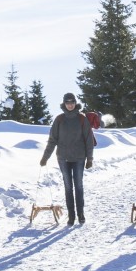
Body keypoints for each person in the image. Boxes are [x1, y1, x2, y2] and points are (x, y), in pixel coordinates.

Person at [40, 92, 95, 226]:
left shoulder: (82, 119)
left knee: (78, 185)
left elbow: (89, 139)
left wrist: (90, 158)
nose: (70, 105)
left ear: (75, 103)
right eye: (67, 103)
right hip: (63, 158)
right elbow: (52, 140)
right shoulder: (59, 120)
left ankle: (80, 213)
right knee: (68, 186)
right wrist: (45, 157)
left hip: (79, 157)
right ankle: (71, 215)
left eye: (72, 102)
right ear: (64, 104)